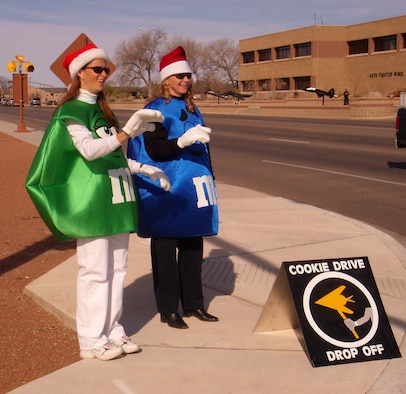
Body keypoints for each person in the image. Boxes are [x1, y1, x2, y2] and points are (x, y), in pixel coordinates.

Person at [26, 43, 170, 360]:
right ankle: (91, 339)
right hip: (93, 202)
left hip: (115, 197)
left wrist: (143, 167)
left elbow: (113, 156)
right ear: (80, 73)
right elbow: (90, 151)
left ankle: (112, 329)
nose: (104, 74)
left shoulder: (101, 110)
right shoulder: (72, 111)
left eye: (106, 69)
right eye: (97, 69)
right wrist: (125, 134)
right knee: (94, 272)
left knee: (117, 269)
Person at [127, 46, 219, 329]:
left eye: (188, 76)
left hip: (193, 190)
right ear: (166, 79)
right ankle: (169, 309)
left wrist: (210, 177)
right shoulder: (156, 110)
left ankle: (193, 304)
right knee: (165, 250)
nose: (185, 80)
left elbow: (203, 149)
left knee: (193, 246)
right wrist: (182, 141)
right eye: (179, 76)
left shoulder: (194, 108)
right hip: (168, 191)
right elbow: (153, 151)